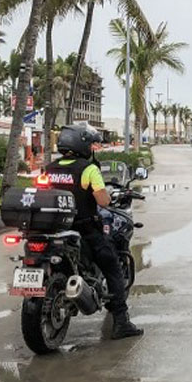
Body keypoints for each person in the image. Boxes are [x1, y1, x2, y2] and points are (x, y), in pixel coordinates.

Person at [45, 124, 143, 340]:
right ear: (81, 145)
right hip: (84, 229)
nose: (92, 148)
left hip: (55, 229)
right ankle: (121, 322)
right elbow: (103, 200)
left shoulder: (50, 168)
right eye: (90, 144)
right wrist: (104, 195)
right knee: (113, 267)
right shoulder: (89, 169)